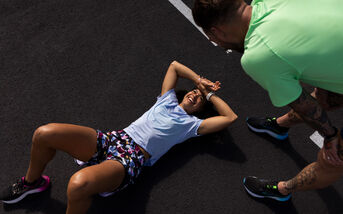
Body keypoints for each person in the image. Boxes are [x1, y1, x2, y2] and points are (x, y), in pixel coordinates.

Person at [0, 61, 237, 213]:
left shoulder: (192, 125)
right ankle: (33, 183)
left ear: (200, 110)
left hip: (130, 159)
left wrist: (208, 95)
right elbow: (174, 66)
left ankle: (101, 179)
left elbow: (230, 118)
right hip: (113, 139)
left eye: (198, 98)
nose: (194, 95)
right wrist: (199, 81)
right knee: (44, 133)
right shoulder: (167, 100)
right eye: (193, 92)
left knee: (78, 185)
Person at [192, 0, 343, 201]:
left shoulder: (259, 54)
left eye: (211, 38)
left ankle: (282, 190)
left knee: (334, 160)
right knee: (325, 97)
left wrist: (331, 135)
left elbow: (303, 105)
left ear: (216, 32)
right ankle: (280, 126)